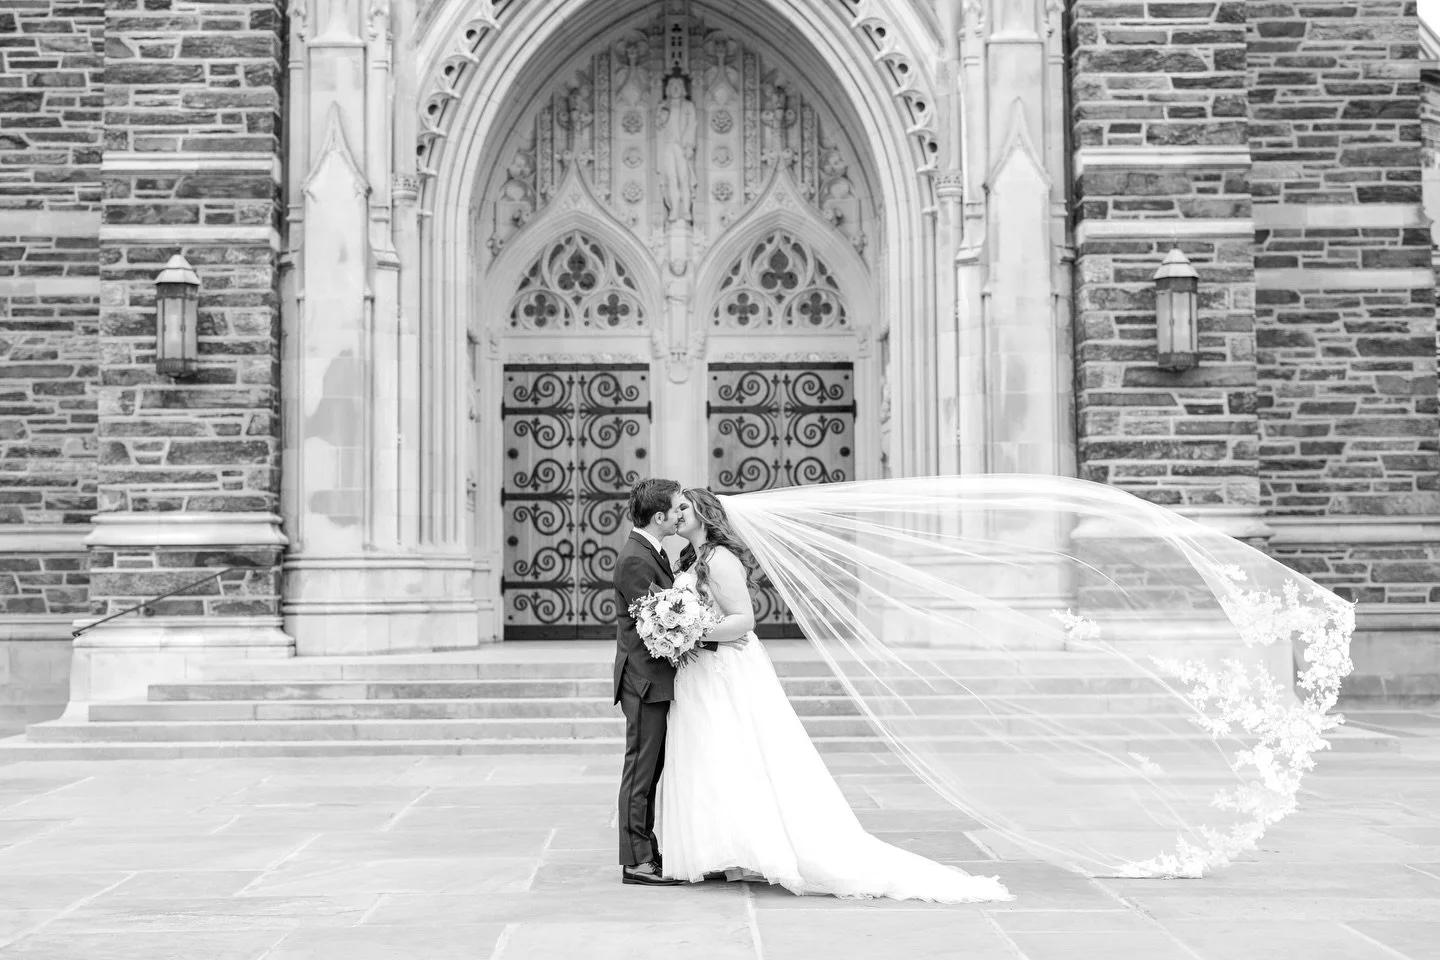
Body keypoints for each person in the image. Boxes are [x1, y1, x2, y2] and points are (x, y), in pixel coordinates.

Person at [654, 487, 1013, 902]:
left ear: (706, 513)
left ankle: (758, 847)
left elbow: (744, 621)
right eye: (674, 508)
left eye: (684, 507)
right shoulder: (691, 559)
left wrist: (687, 633)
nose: (676, 513)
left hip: (724, 671)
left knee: (740, 753)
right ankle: (727, 849)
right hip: (702, 673)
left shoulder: (719, 558)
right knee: (715, 755)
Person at [612, 478, 748, 886]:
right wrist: (705, 636)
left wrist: (700, 631)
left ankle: (647, 850)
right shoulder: (637, 558)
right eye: (675, 508)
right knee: (641, 771)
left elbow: (667, 618)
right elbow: (657, 625)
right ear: (660, 517)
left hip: (657, 679)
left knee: (650, 771)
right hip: (645, 681)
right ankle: (637, 860)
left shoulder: (654, 551)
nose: (678, 514)